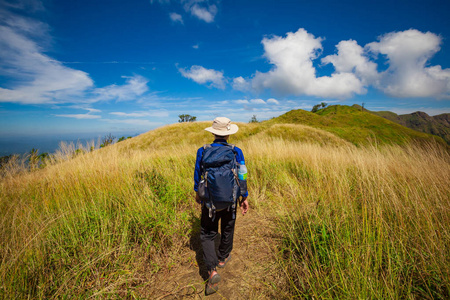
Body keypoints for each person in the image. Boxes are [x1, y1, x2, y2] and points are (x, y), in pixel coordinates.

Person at [193, 117, 249, 295]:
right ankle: (223, 258)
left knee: (207, 234)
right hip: (230, 200)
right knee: (228, 227)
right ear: (228, 134)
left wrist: (198, 193)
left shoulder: (202, 151)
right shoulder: (236, 151)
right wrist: (244, 197)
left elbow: (198, 175)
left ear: (213, 132)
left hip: (209, 200)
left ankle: (212, 270)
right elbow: (242, 175)